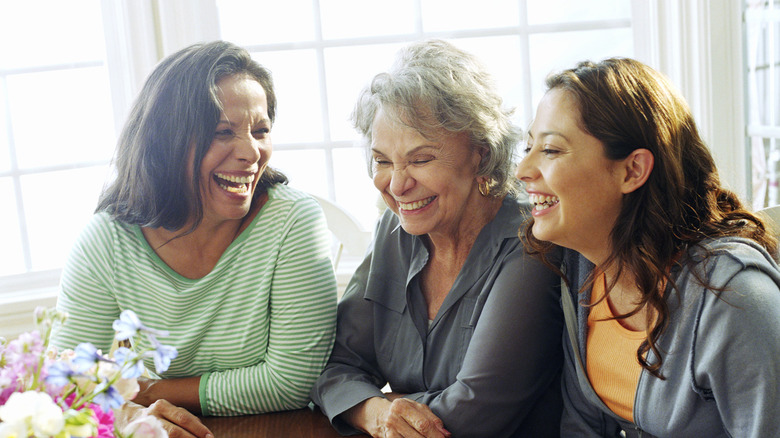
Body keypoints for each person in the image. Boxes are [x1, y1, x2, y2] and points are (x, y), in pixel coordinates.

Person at [51, 41, 338, 436]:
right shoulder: (109, 239)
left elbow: (291, 383)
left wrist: (149, 391)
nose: (251, 152)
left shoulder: (293, 222)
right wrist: (129, 414)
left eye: (261, 131)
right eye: (223, 132)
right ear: (166, 142)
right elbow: (65, 377)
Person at [310, 39, 564, 438]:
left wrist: (384, 404)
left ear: (480, 154)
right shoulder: (395, 233)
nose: (396, 184)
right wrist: (377, 411)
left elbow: (474, 412)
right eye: (382, 160)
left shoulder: (531, 242)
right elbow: (332, 367)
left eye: (420, 159)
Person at [516, 57, 780, 437]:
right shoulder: (582, 270)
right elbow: (582, 427)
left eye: (552, 150)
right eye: (528, 147)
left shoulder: (733, 298)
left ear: (632, 170)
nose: (523, 170)